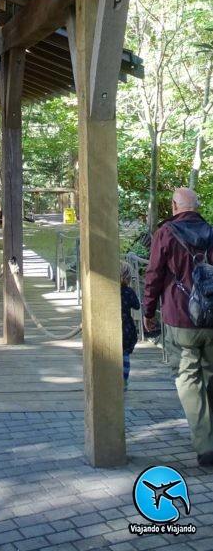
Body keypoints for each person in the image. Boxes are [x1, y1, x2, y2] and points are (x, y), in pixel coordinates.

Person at [144, 186, 213, 466]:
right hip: (211, 320)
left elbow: (153, 275)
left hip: (180, 317)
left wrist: (148, 312)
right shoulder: (211, 232)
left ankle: (205, 444)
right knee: (209, 376)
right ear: (196, 206)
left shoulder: (166, 233)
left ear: (175, 206)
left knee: (188, 378)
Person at [120, 261, 140, 389]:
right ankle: (124, 380)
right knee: (125, 355)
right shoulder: (128, 291)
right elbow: (137, 306)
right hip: (127, 327)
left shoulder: (109, 291)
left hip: (113, 325)